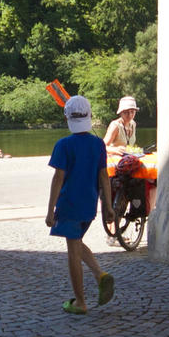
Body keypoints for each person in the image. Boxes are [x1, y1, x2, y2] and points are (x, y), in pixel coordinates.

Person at [45, 95, 114, 315]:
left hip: (69, 205)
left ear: (67, 118)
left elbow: (58, 179)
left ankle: (80, 302)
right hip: (89, 206)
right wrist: (109, 207)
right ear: (89, 116)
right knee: (76, 242)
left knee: (72, 251)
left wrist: (50, 211)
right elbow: (104, 177)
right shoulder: (98, 144)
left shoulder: (63, 145)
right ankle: (99, 275)